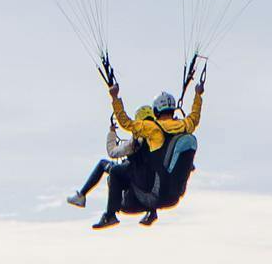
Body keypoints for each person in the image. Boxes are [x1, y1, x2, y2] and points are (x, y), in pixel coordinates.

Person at [72, 55, 205, 228]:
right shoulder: (185, 125)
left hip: (152, 190)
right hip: (173, 194)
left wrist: (115, 97)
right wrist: (198, 95)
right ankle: (150, 213)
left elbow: (125, 122)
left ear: (156, 111)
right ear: (173, 110)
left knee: (117, 172)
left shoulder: (152, 128)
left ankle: (109, 215)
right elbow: (195, 117)